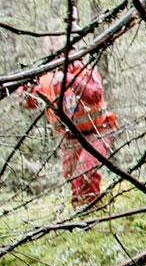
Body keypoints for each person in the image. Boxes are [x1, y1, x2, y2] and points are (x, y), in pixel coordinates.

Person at [14, 49, 118, 207]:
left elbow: (95, 95)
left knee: (84, 173)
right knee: (70, 176)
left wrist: (68, 79)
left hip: (98, 131)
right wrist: (25, 87)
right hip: (70, 138)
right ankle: (81, 212)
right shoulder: (46, 79)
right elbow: (29, 102)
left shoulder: (86, 72)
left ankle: (91, 210)